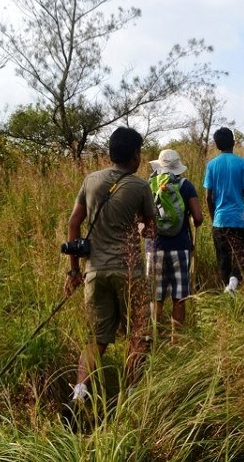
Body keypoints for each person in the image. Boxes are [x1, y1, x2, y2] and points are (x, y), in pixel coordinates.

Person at [64, 126, 156, 404]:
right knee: (139, 334)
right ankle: (130, 394)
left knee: (96, 340)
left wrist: (75, 270)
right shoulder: (140, 186)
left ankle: (80, 393)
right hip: (129, 272)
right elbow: (150, 230)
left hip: (94, 272)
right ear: (135, 155)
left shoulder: (90, 181)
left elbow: (73, 224)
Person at [145, 149, 203, 330]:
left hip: (155, 247)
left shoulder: (148, 185)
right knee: (179, 297)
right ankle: (176, 341)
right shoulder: (185, 185)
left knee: (156, 296)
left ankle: (152, 338)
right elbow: (198, 218)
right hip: (180, 247)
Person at [203, 127, 244, 294]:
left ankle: (227, 289)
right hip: (239, 220)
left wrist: (213, 218)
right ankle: (234, 281)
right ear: (233, 142)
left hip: (220, 220)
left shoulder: (211, 165)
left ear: (217, 145)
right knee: (241, 257)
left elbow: (208, 197)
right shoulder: (243, 164)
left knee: (223, 259)